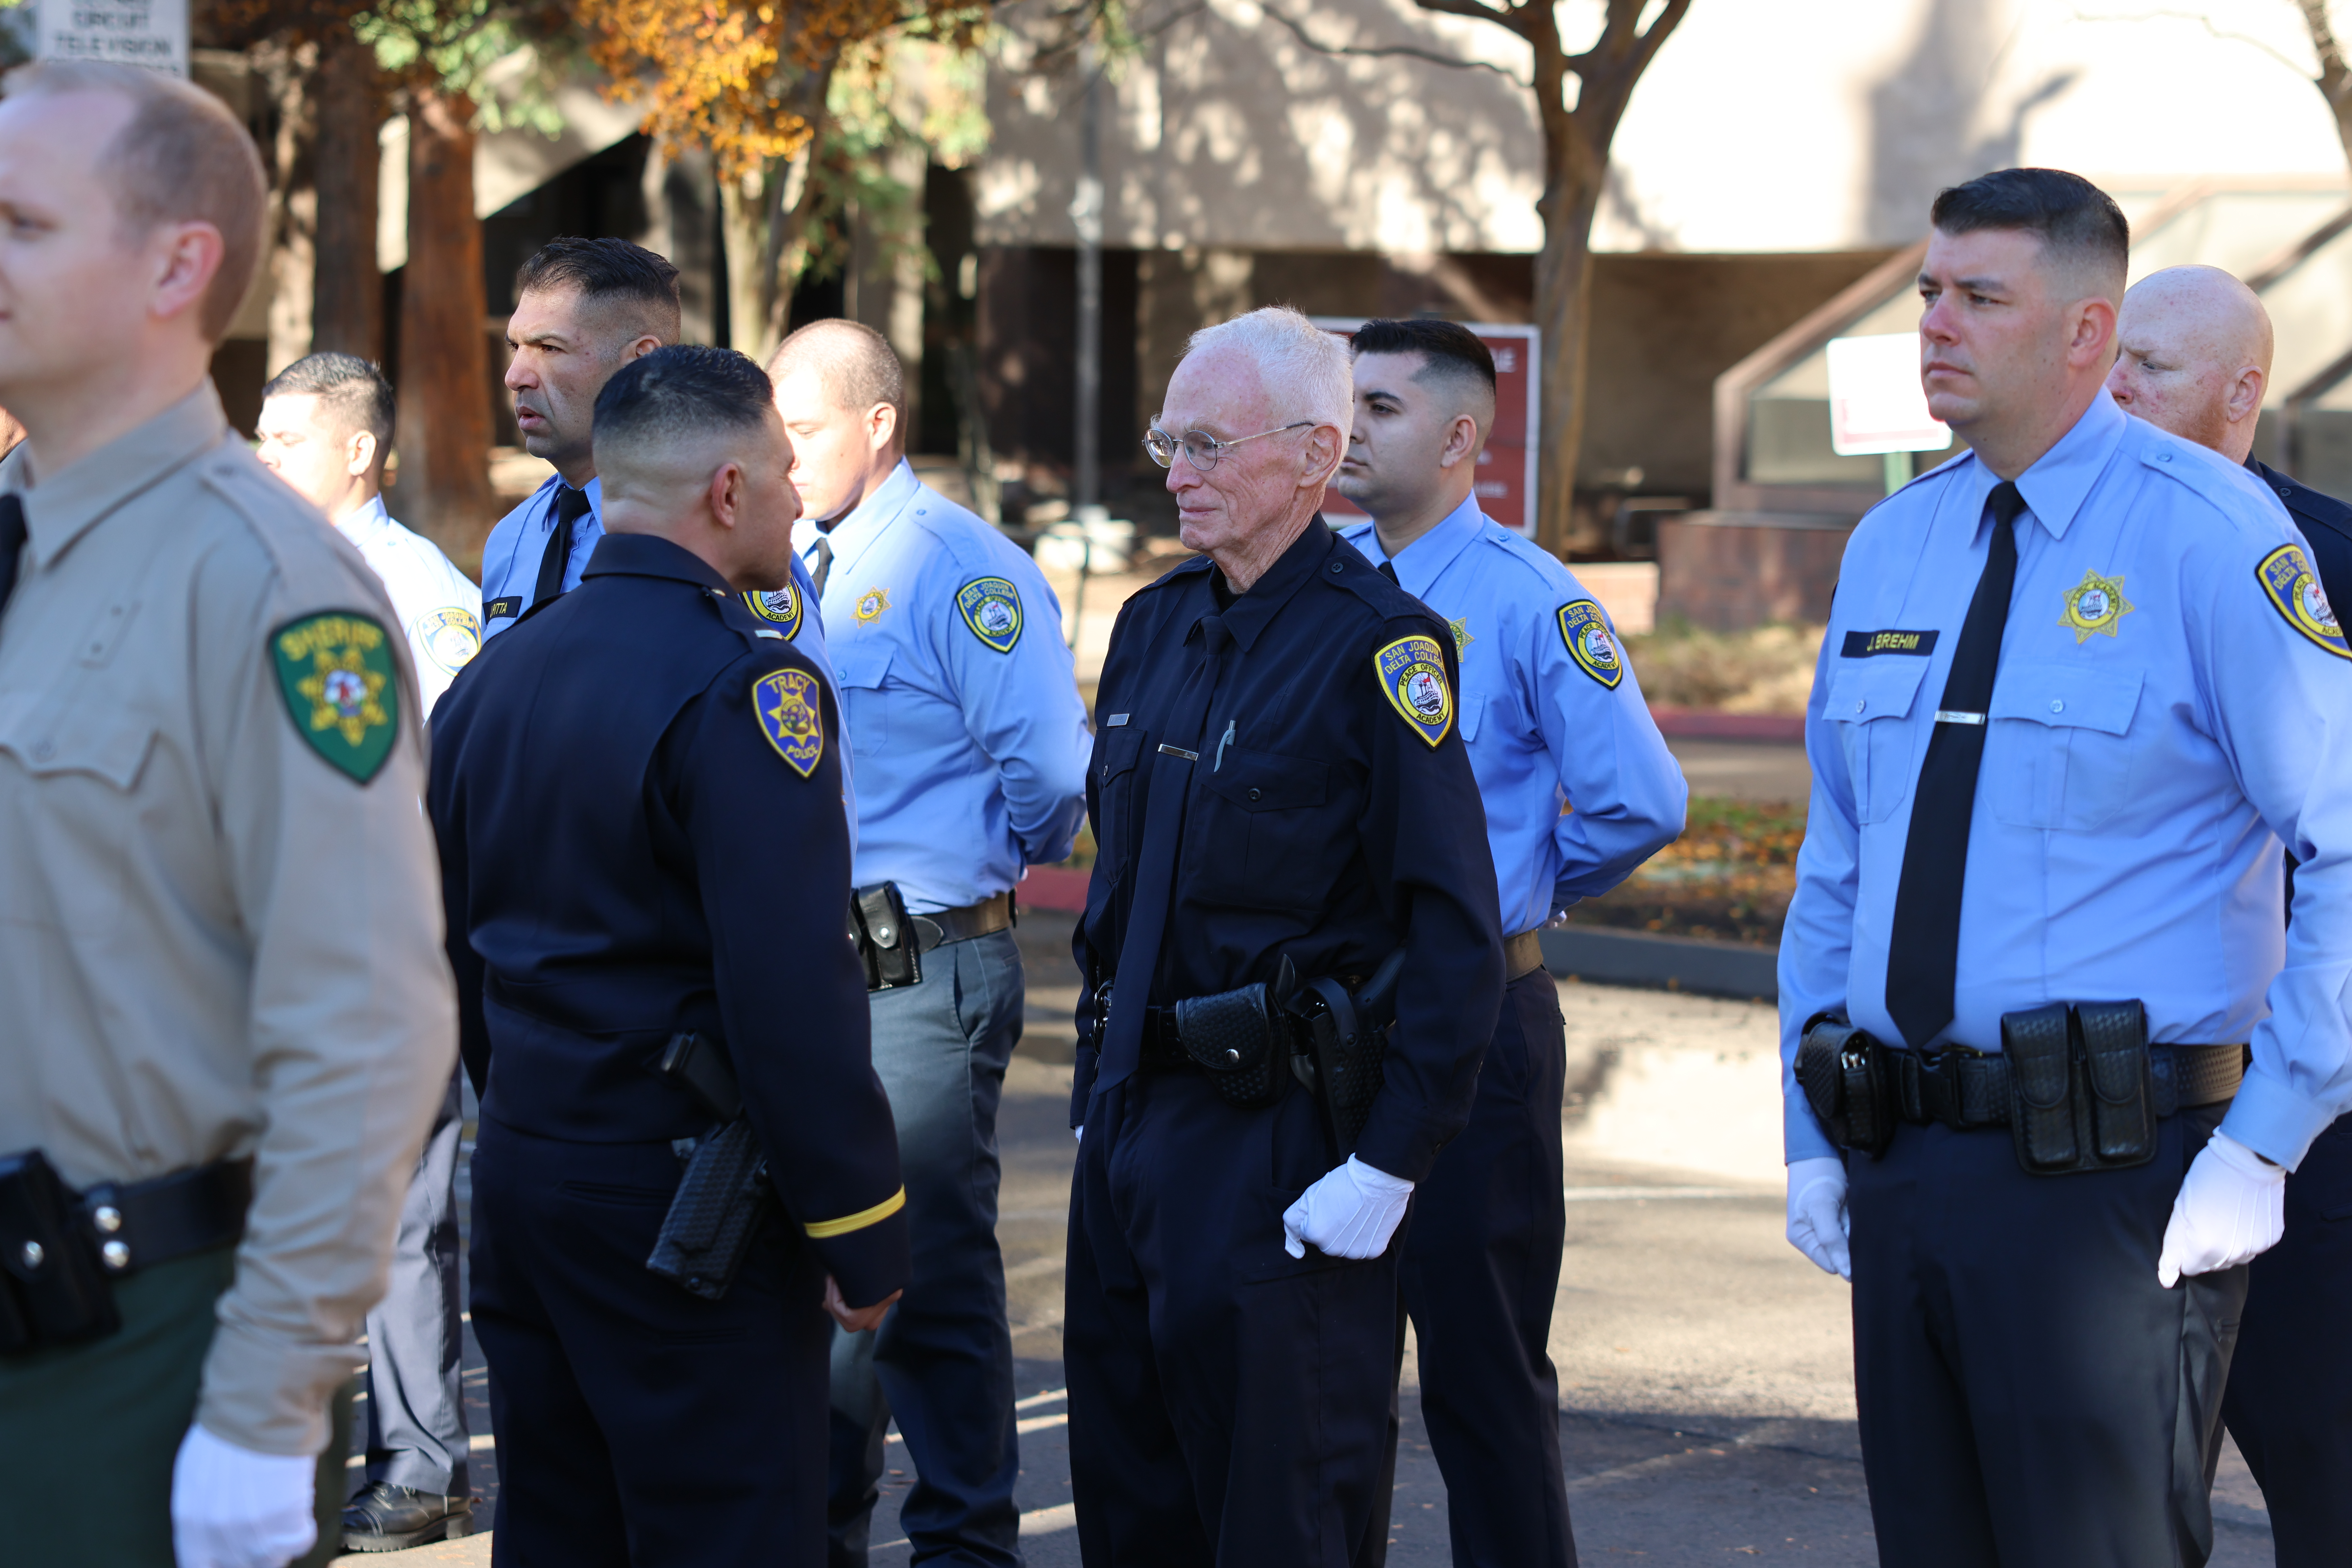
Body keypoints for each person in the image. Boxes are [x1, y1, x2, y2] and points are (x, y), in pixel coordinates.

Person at [1779, 168, 2352, 1567]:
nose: (1937, 324)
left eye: (1983, 297)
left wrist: (2272, 1131)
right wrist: (1809, 1118)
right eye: (1929, 292)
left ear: (2089, 332)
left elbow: (2344, 838)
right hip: (1905, 1156)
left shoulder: (2212, 533)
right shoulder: (1893, 541)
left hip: (2116, 1175)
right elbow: (1839, 863)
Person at [0, 59, 456, 1568]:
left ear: (174, 264)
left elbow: (369, 1021)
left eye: (21, 221)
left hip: (132, 1349)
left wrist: (264, 1411)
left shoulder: (269, 586)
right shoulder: (26, 551)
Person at [426, 343, 910, 1565]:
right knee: (729, 1531)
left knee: (558, 1523)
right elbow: (792, 989)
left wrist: (531, 1095)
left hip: (531, 1174)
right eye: (784, 474)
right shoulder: (749, 693)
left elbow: (454, 951)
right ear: (729, 493)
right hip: (688, 1207)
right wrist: (857, 1224)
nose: (800, 499)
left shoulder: (493, 683)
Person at [1065, 305, 1504, 1565]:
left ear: (1316, 457)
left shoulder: (1379, 649)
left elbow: (1453, 928)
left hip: (1278, 1143)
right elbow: (1123, 889)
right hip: (1134, 1124)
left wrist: (1391, 1162)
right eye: (1167, 440)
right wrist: (1106, 1088)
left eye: (1207, 443)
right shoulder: (1156, 627)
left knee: (1282, 1512)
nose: (1176, 472)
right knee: (1133, 1499)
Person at [1329, 317, 1686, 1568]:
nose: (1349, 430)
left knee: (1480, 1379)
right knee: (1325, 1381)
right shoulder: (1321, 584)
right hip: (1327, 1032)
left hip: (1474, 1028)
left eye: (1378, 408)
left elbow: (1645, 801)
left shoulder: (1533, 600)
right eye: (1342, 404)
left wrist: (1505, 900)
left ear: (1460, 435)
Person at [772, 320, 1088, 1568]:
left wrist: (970, 877)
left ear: (877, 424)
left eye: (804, 431)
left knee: (927, 1276)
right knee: (825, 1270)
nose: (782, 456)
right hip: (811, 960)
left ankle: (964, 1540)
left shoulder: (962, 567)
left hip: (920, 959)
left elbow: (1052, 776)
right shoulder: (782, 556)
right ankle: (824, 1531)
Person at [2105, 264, 2352, 1568]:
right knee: (2122, 1502)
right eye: (2110, 357)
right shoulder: (2036, 548)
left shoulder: (2336, 561)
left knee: (2327, 1471)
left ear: (2243, 391)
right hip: (2102, 1114)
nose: (2116, 383)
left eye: (2151, 362)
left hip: (2308, 1115)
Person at [254, 351, 480, 1548]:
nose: (262, 462)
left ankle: (423, 1459)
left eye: (284, 441)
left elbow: (442, 785)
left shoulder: (417, 590)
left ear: (356, 451)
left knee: (399, 1211)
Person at [478, 238, 829, 680]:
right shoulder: (514, 538)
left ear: (641, 362)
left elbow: (789, 725)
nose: (516, 377)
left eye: (549, 348)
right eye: (516, 348)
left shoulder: (723, 541)